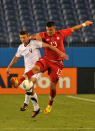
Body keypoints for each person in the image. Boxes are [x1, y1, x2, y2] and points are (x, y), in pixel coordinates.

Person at [12, 20, 93, 114]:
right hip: (46, 60)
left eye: (50, 30)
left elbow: (73, 29)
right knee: (35, 69)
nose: (48, 32)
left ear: (54, 29)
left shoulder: (61, 33)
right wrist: (33, 37)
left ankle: (50, 103)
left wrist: (84, 24)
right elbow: (34, 36)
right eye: (47, 30)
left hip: (57, 63)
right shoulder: (43, 35)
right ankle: (19, 81)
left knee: (52, 86)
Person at [7, 30, 68, 117]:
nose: (22, 39)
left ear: (28, 36)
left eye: (24, 37)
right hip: (27, 70)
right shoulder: (20, 47)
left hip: (38, 68)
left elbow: (48, 46)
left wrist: (60, 52)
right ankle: (36, 108)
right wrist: (9, 67)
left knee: (29, 85)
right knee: (29, 89)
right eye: (21, 38)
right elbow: (16, 58)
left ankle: (26, 103)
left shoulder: (35, 43)